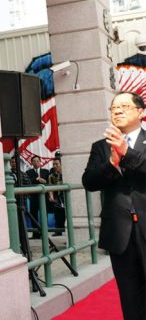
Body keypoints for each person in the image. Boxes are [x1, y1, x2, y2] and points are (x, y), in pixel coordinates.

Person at [82, 91, 146, 320]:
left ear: (141, 112)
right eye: (113, 108)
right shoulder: (101, 147)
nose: (117, 110)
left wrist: (126, 153)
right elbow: (89, 182)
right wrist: (111, 162)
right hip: (120, 232)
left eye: (124, 106)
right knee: (130, 297)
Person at [26, 155, 50, 239]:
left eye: (37, 161)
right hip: (33, 196)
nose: (36, 162)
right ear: (31, 163)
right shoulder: (28, 172)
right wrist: (37, 179)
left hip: (44, 196)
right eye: (34, 161)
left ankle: (44, 233)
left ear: (40, 162)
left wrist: (45, 181)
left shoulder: (46, 171)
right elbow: (29, 182)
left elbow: (48, 182)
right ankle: (35, 234)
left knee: (44, 214)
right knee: (33, 214)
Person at [47, 158, 65, 236]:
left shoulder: (66, 174)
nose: (54, 166)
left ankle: (68, 233)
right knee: (57, 215)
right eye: (53, 164)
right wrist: (51, 197)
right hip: (57, 197)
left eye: (56, 164)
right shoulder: (51, 176)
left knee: (66, 215)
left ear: (61, 164)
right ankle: (58, 231)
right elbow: (50, 187)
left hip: (65, 196)